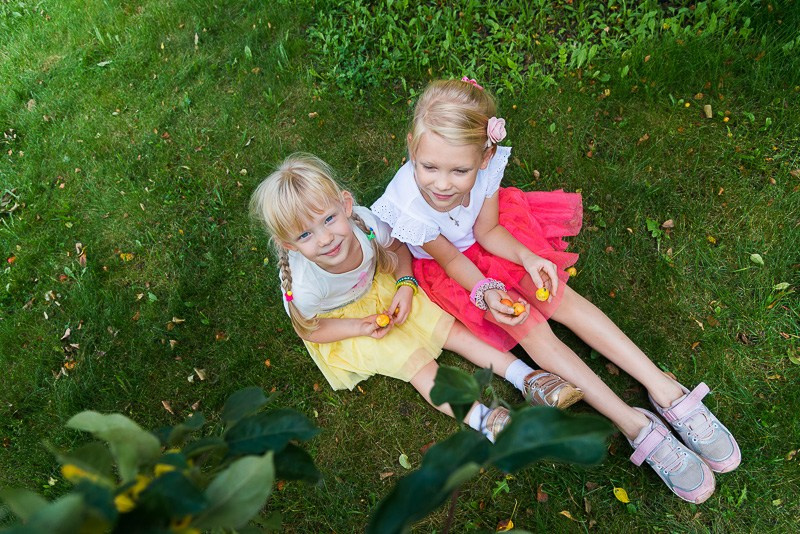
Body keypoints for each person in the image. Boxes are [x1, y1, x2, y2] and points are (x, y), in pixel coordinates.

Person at [370, 78, 740, 503]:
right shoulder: (408, 204)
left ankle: (665, 389)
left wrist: (527, 257)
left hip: (490, 242)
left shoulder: (488, 165)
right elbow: (454, 261)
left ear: (485, 156)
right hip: (455, 269)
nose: (442, 184)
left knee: (559, 298)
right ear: (411, 146)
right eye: (429, 167)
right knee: (529, 328)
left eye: (460, 170)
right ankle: (634, 423)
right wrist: (488, 290)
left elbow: (488, 230)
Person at [249, 153, 583, 443]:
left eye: (329, 219)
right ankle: (483, 419)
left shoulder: (365, 223)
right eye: (305, 234)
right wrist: (358, 327)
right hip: (342, 322)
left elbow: (395, 247)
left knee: (450, 330)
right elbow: (309, 329)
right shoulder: (305, 289)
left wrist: (406, 285)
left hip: (384, 285)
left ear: (346, 205)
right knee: (417, 363)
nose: (325, 239)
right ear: (289, 245)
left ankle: (528, 378)